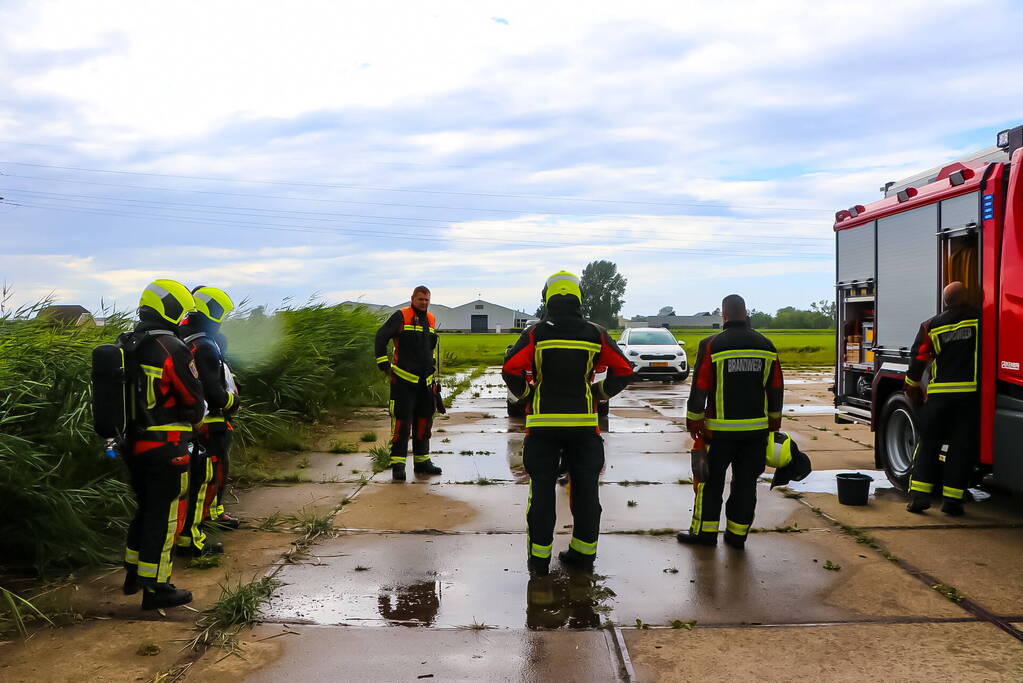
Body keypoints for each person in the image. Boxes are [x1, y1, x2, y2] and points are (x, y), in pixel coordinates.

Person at [502, 271, 633, 576]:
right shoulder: (595, 333)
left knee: (543, 491)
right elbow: (624, 369)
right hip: (584, 427)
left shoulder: (536, 333)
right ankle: (583, 556)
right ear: (578, 297)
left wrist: (526, 395)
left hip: (543, 426)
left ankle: (539, 561)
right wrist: (599, 393)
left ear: (547, 297)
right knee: (586, 491)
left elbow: (510, 368)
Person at [122, 279, 204, 609]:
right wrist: (194, 415)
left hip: (132, 444)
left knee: (145, 508)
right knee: (165, 515)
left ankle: (133, 571)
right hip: (166, 446)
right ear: (170, 308)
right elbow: (195, 402)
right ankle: (157, 587)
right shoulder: (172, 347)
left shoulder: (128, 342)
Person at [678, 294, 784, 550]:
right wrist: (774, 421)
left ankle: (705, 535)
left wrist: (694, 421)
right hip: (755, 433)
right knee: (746, 485)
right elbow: (776, 386)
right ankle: (737, 536)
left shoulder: (712, 344)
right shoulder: (766, 345)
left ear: (723, 316)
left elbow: (700, 387)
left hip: (719, 434)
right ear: (745, 314)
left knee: (710, 484)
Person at [905, 281, 979, 516]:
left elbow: (918, 358)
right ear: (966, 298)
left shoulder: (930, 325)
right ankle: (952, 502)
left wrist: (912, 385)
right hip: (969, 395)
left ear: (945, 301)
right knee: (960, 448)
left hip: (938, 396)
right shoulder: (981, 320)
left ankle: (919, 498)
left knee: (928, 443)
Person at [176, 286, 240, 556]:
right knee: (205, 478)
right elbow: (212, 390)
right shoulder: (203, 346)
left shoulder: (190, 338)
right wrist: (232, 402)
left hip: (199, 421)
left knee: (211, 473)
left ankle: (210, 515)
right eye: (221, 315)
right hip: (210, 422)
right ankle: (192, 537)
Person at [374, 285, 443, 481]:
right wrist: (383, 363)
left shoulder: (430, 319)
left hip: (425, 383)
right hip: (403, 381)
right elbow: (380, 337)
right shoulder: (401, 316)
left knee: (424, 423)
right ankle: (398, 465)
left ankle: (422, 463)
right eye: (421, 299)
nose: (424, 303)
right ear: (412, 298)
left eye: (427, 300)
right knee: (402, 424)